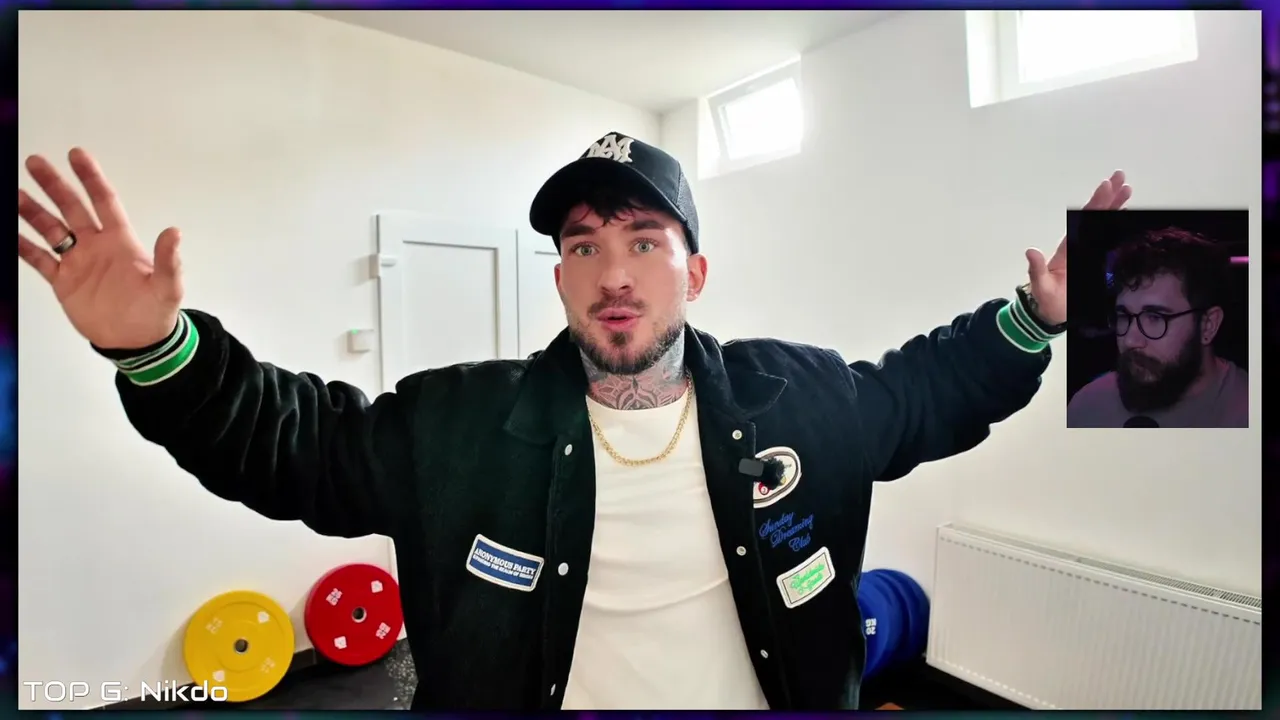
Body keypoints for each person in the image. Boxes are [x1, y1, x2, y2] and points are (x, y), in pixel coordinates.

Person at [17, 134, 1129, 710]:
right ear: (558, 278)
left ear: (694, 272)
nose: (614, 272)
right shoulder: (456, 422)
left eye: (644, 241)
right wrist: (157, 350)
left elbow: (929, 390)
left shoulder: (801, 398)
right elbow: (295, 443)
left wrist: (1037, 317)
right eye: (584, 246)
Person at [1067, 227, 1248, 428]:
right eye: (1124, 316)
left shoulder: (1248, 413)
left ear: (1208, 325)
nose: (1130, 340)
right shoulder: (1086, 407)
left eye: (1155, 317)